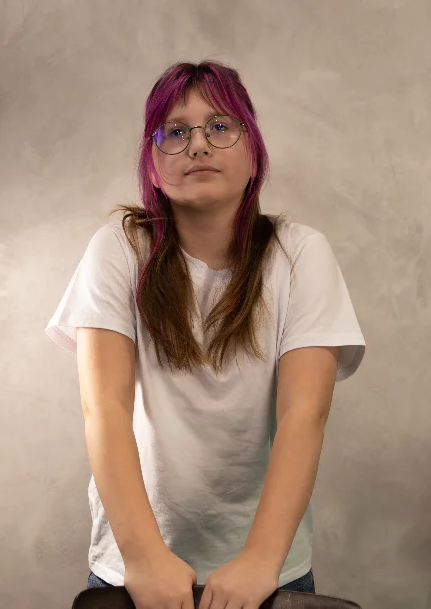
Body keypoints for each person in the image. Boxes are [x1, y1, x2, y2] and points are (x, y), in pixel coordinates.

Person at [46, 60, 365, 609]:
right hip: (133, 570)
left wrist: (260, 561)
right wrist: (144, 558)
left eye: (220, 126)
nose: (198, 144)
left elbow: (303, 414)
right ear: (152, 166)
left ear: (253, 152)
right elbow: (105, 408)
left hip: (270, 572)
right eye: (175, 131)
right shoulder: (118, 250)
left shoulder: (299, 254)